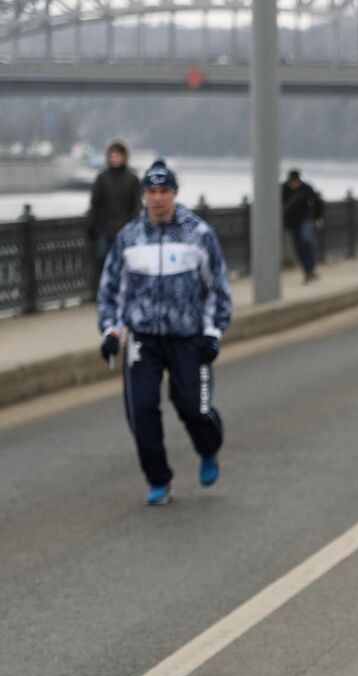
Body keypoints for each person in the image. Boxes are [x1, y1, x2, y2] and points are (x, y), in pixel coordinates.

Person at [97, 160, 232, 506]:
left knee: (194, 407)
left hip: (189, 337)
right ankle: (159, 479)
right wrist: (111, 331)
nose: (157, 199)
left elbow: (217, 288)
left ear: (174, 193)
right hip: (143, 337)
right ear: (143, 195)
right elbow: (111, 291)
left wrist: (212, 332)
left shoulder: (198, 234)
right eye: (151, 192)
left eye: (164, 191)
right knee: (140, 410)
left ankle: (208, 448)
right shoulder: (129, 238)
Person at [86, 140, 142, 295]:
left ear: (124, 157)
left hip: (124, 230)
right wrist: (92, 225)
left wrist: (132, 227)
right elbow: (94, 204)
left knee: (124, 262)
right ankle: (104, 290)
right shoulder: (102, 178)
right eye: (112, 155)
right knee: (102, 259)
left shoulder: (132, 179)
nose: (115, 158)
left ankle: (122, 290)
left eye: (118, 155)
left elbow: (136, 206)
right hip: (104, 228)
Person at [281, 169, 324, 283]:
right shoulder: (283, 189)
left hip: (305, 219)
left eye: (296, 182)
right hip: (292, 222)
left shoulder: (306, 188)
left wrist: (318, 217)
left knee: (306, 240)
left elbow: (317, 201)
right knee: (298, 247)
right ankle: (308, 271)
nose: (295, 184)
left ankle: (311, 266)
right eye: (292, 182)